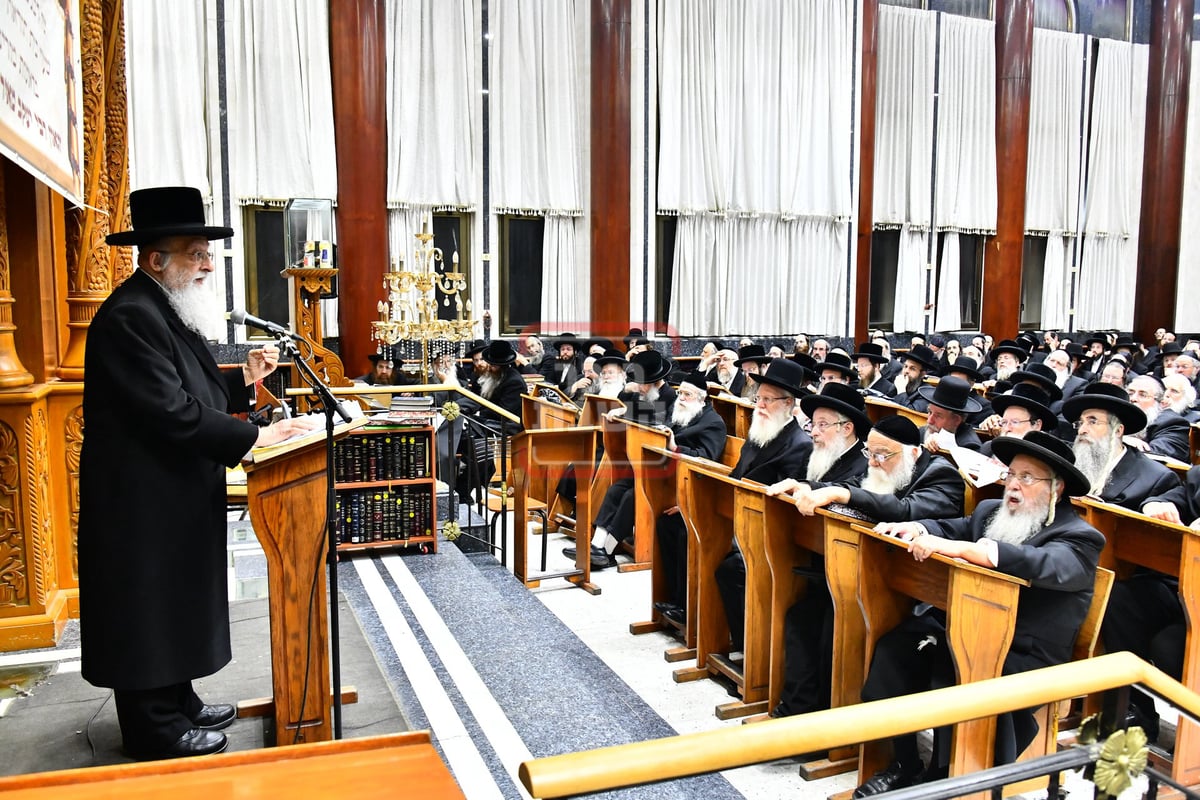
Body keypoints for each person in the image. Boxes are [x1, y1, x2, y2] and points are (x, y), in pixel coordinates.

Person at [79, 186, 320, 761]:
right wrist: (256, 435)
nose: (209, 264)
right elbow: (167, 411)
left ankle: (178, 700)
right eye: (196, 252)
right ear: (155, 257)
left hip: (172, 492)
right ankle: (154, 729)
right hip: (140, 501)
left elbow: (188, 388)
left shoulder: (161, 305)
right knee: (147, 606)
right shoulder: (130, 316)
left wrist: (244, 378)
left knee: (174, 601)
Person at [852, 432, 1103, 796]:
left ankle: (946, 778)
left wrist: (972, 551)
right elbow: (951, 527)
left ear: (1057, 488)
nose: (1013, 486)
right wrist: (918, 527)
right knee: (897, 647)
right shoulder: (991, 512)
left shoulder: (1080, 536)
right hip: (968, 628)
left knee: (952, 669)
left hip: (1023, 651)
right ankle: (903, 761)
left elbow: (1041, 563)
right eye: (1011, 475)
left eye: (1027, 478)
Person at [713, 359, 813, 652]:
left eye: (768, 400)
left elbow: (784, 505)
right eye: (759, 397)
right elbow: (736, 477)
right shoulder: (757, 434)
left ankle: (750, 651)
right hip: (739, 521)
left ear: (789, 403)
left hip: (768, 536)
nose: (760, 405)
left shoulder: (799, 444)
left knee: (730, 570)